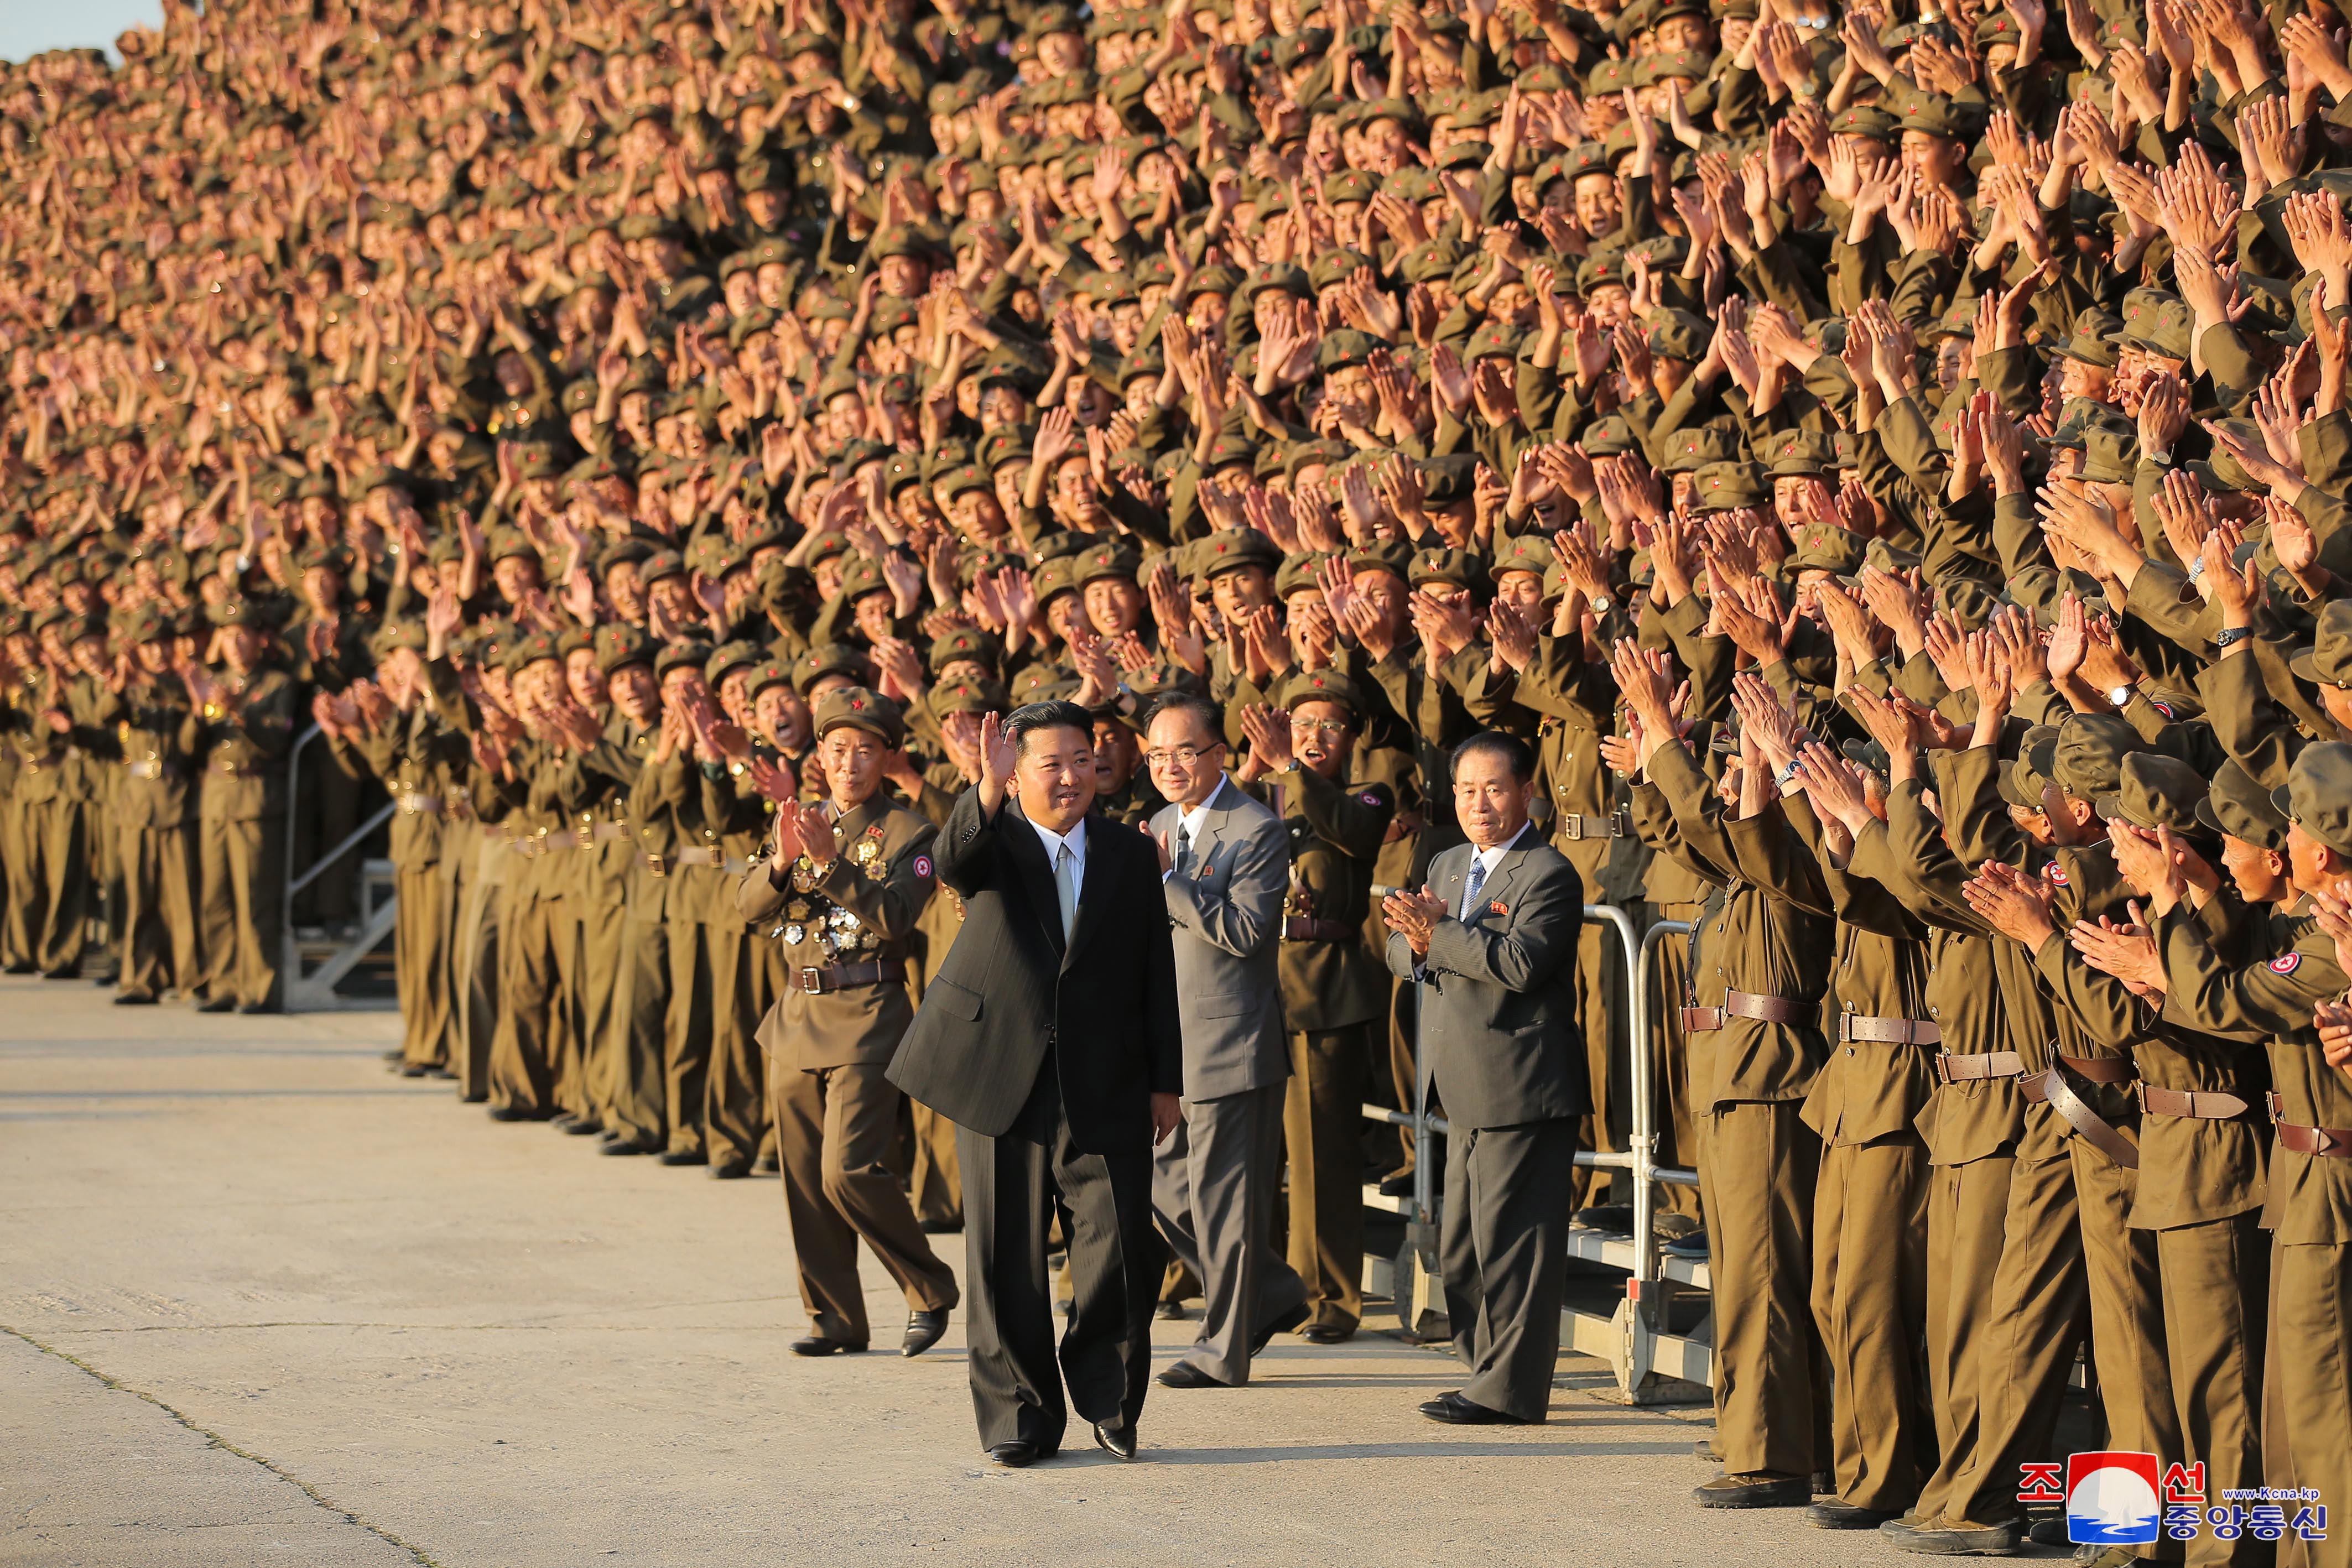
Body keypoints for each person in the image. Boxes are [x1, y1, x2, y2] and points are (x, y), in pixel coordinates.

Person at [888, 701, 1181, 1467]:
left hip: (1108, 1077)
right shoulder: (992, 840)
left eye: (1082, 758)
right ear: (1015, 773)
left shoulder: (1128, 851)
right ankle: (1019, 1412)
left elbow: (1156, 972)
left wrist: (1167, 1080)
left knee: (1118, 1244)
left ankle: (1112, 1400)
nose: (1071, 775)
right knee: (1003, 1255)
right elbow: (952, 860)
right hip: (998, 1072)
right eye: (1050, 762)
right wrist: (981, 790)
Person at [738, 685, 959, 1357]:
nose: (850, 763)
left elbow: (895, 917)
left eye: (865, 750)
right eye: (838, 749)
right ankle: (834, 1317)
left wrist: (829, 865)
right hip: (797, 1015)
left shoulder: (910, 832)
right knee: (804, 1179)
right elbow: (748, 909)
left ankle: (929, 1287)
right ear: (820, 756)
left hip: (868, 1014)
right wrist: (782, 860)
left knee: (847, 1170)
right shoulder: (800, 820)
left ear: (888, 757)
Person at [1381, 730, 1586, 1426]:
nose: (1479, 803)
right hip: (1456, 1082)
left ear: (1527, 791)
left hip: (1520, 1084)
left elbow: (1523, 963)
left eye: (1494, 788)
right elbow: (1395, 945)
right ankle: (1484, 1372)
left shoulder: (1547, 872)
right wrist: (1418, 942)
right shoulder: (1444, 863)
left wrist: (1436, 937)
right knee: (1464, 1249)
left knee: (1516, 1249)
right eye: (1466, 789)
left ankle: (1511, 1391)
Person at [1140, 690, 1307, 1388]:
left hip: (1231, 1044)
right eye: (1157, 754)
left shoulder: (1256, 830)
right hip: (1170, 1044)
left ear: (1219, 753)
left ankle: (1223, 1348)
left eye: (1185, 751)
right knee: (1162, 1192)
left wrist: (1170, 882)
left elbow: (1245, 933)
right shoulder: (1158, 823)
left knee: (1224, 1205)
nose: (1170, 766)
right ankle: (1268, 1293)